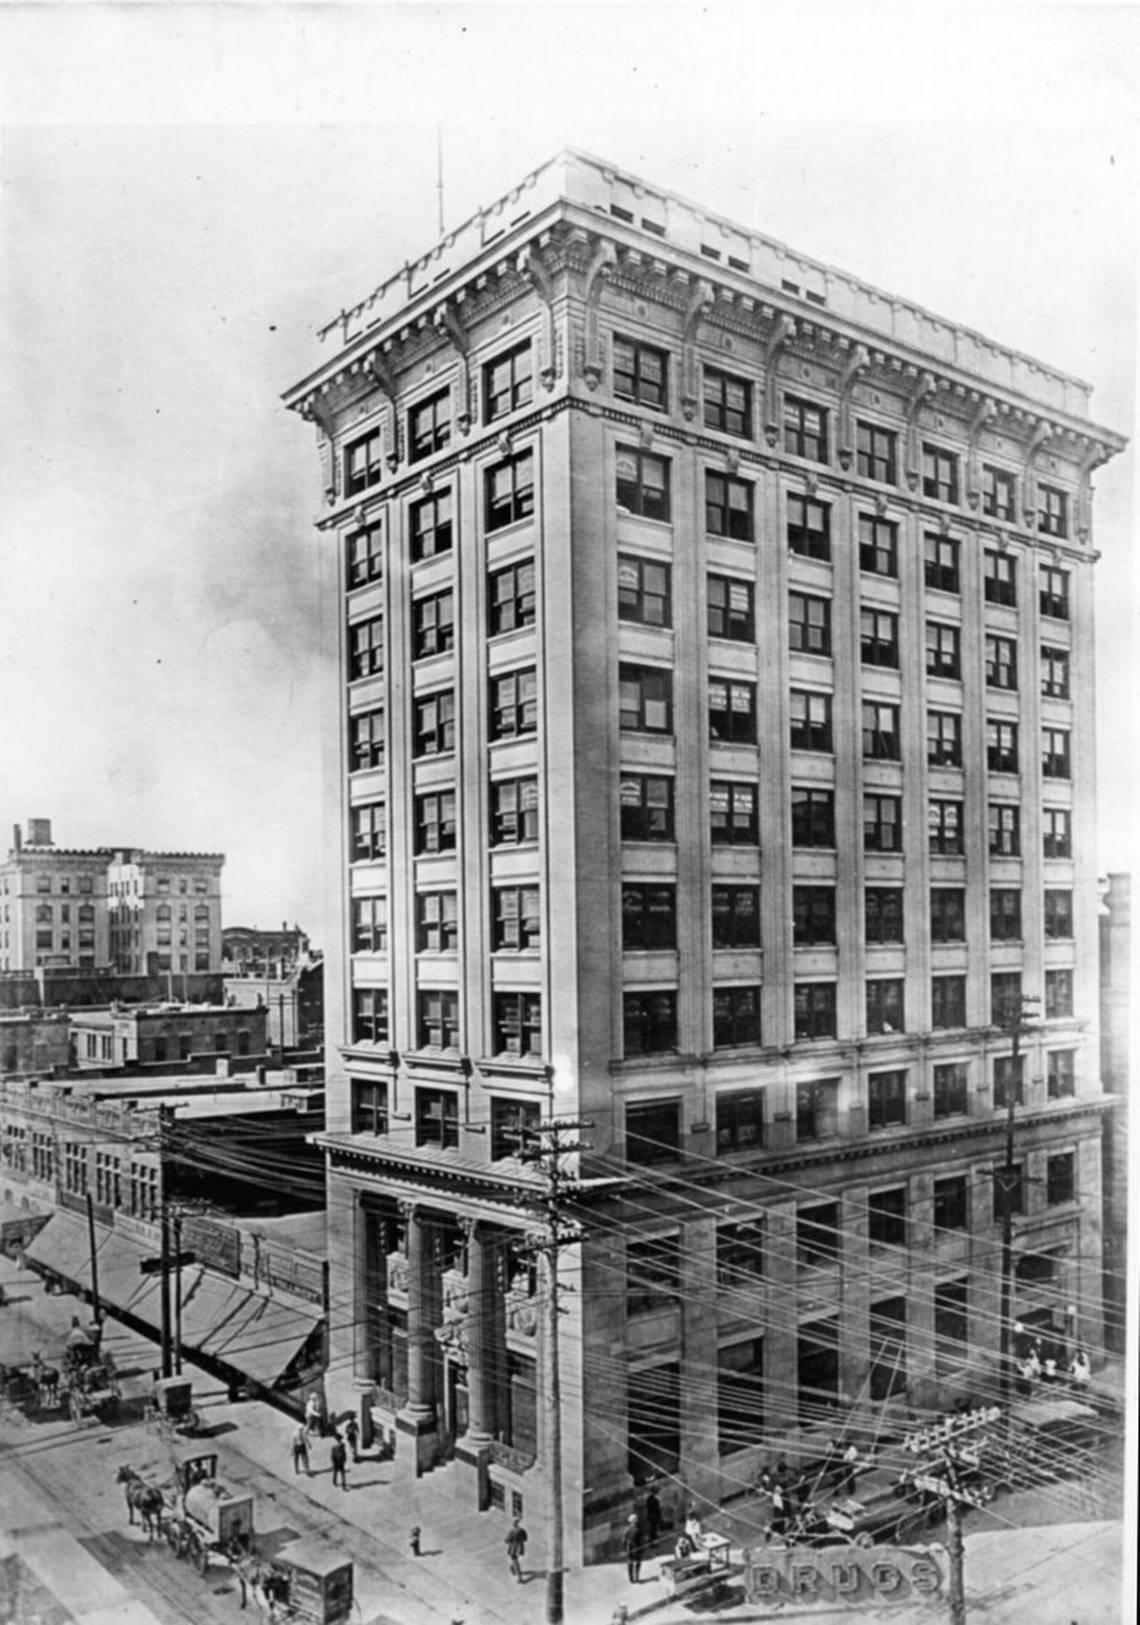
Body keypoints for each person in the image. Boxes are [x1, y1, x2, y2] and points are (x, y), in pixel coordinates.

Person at [621, 1513, 642, 1584]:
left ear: (629, 1521)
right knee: (638, 1562)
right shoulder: (638, 1530)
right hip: (637, 1548)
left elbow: (623, 1540)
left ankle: (631, 1579)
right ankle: (637, 1577)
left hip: (629, 1548)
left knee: (630, 1563)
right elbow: (641, 1541)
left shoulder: (626, 1530)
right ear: (636, 1521)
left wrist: (624, 1548)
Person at [505, 1516, 528, 1582]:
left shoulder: (511, 1531)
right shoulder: (522, 1530)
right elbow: (525, 1539)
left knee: (516, 1562)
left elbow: (506, 1540)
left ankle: (519, 1578)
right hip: (520, 1547)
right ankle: (512, 1567)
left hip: (513, 1548)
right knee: (516, 1561)